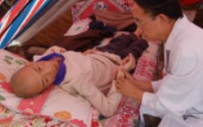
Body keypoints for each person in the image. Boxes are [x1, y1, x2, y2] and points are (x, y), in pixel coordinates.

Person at [10, 33, 148, 117]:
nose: (49, 70)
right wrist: (120, 75)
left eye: (39, 69)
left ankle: (136, 33)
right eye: (46, 80)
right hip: (117, 65)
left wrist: (83, 55)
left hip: (100, 54)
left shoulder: (48, 55)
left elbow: (71, 58)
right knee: (135, 49)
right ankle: (143, 38)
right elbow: (108, 110)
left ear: (29, 64)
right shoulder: (77, 80)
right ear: (47, 87)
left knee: (120, 40)